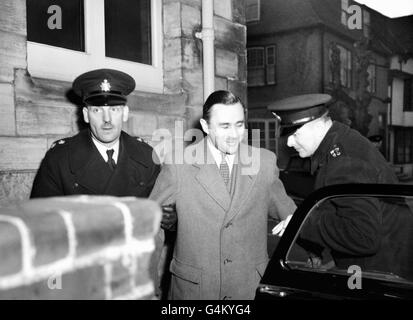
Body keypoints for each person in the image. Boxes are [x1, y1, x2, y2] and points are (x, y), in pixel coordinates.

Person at [150, 90, 296, 300]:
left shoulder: (264, 163)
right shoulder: (179, 165)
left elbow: (291, 217)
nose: (234, 134)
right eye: (225, 126)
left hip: (249, 291)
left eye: (239, 124)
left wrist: (295, 224)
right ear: (205, 126)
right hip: (195, 292)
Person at [270, 93, 413, 279]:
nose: (289, 142)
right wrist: (315, 246)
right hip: (388, 264)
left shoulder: (344, 161)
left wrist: (303, 224)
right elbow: (337, 209)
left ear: (319, 124)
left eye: (295, 134)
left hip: (379, 272)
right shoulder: (341, 142)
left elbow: (363, 236)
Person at [30, 68, 160, 198]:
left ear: (125, 113)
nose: (107, 119)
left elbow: (162, 213)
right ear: (86, 115)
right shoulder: (59, 159)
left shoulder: (147, 156)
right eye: (97, 110)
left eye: (114, 109)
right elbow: (42, 215)